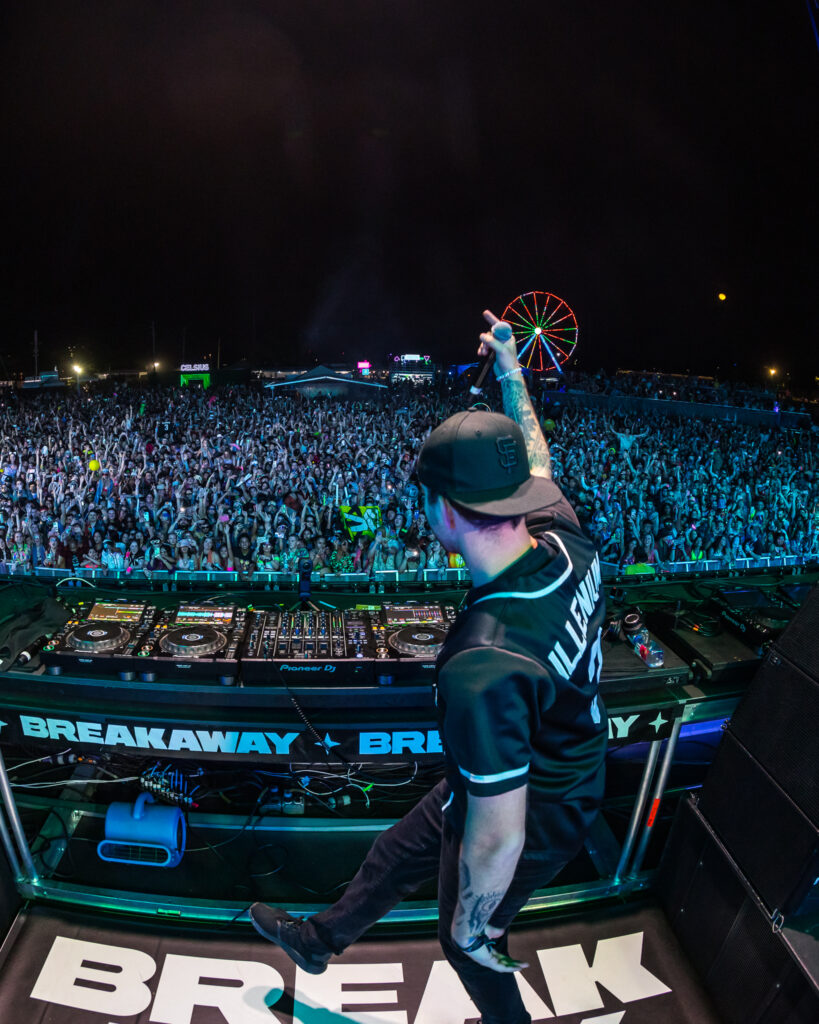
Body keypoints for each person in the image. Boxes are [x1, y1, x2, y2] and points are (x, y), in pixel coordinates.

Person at [249, 311, 608, 1024]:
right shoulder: (569, 542)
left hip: (541, 806)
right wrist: (509, 365)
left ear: (440, 511)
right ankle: (320, 941)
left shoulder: (481, 662)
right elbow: (535, 460)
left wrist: (477, 923)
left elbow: (498, 835)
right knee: (397, 848)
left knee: (467, 942)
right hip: (552, 757)